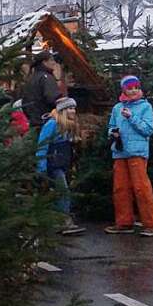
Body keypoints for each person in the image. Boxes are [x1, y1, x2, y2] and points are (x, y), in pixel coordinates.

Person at [105, 75, 153, 237]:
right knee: (120, 188)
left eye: (136, 87)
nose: (133, 90)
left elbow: (148, 129)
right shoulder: (117, 108)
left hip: (137, 152)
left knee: (141, 188)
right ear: (124, 90)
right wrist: (112, 132)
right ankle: (124, 223)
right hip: (120, 151)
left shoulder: (145, 107)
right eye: (130, 88)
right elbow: (111, 126)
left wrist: (132, 117)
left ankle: (151, 224)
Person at [36, 97, 85, 235]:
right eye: (70, 108)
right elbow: (42, 145)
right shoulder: (52, 124)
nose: (73, 111)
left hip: (62, 163)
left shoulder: (68, 126)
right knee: (63, 191)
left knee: (60, 191)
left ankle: (58, 220)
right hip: (53, 163)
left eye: (74, 108)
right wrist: (41, 167)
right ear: (62, 110)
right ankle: (64, 221)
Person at [22, 51, 60, 130]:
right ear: (44, 62)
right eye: (51, 60)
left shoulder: (31, 79)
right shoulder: (46, 78)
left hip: (34, 122)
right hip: (47, 122)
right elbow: (52, 98)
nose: (54, 63)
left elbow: (24, 102)